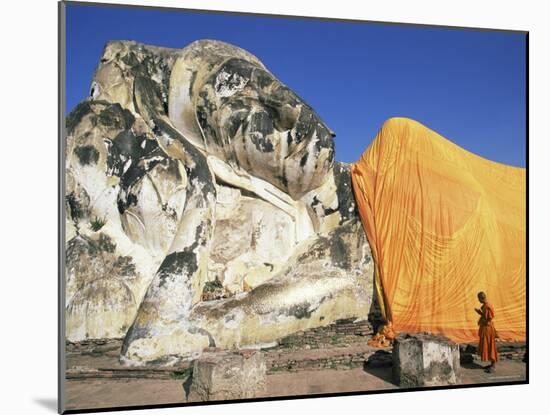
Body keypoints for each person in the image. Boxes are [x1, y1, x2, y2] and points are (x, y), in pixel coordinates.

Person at [475, 291, 499, 372]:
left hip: (488, 329)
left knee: (490, 346)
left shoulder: (488, 306)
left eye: (479, 299)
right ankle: (492, 364)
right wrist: (480, 313)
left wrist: (482, 320)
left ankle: (493, 366)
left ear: (482, 298)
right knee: (487, 346)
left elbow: (489, 319)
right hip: (486, 329)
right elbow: (486, 316)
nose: (478, 301)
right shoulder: (485, 306)